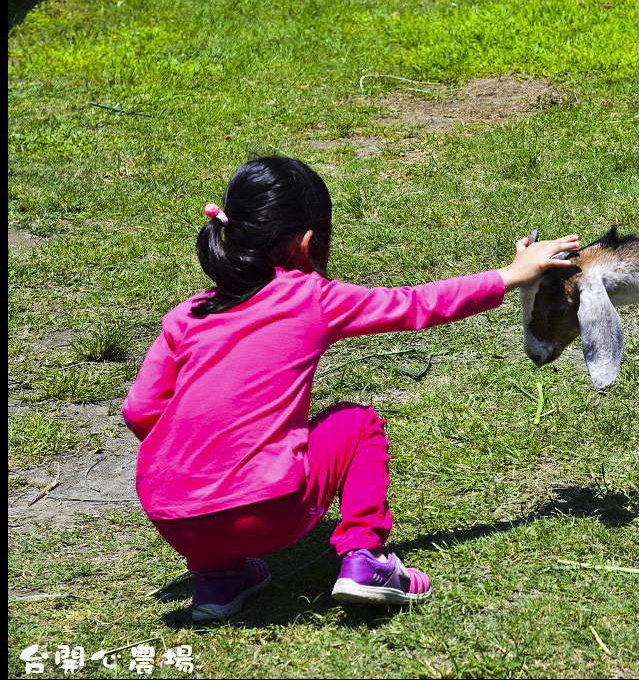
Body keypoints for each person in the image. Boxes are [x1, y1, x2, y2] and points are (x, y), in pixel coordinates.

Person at [122, 156, 579, 621]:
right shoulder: (311, 296)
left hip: (173, 517)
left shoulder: (187, 314)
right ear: (306, 244)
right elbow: (416, 305)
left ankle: (218, 581)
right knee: (357, 424)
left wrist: (201, 460)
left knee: (210, 500)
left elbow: (140, 409)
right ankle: (365, 559)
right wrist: (510, 275)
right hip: (265, 511)